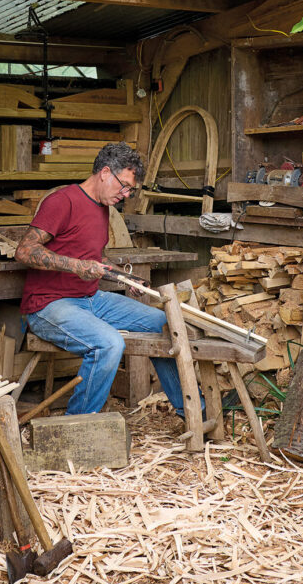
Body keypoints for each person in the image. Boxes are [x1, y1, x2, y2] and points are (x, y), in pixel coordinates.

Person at [15, 141, 188, 416]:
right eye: (125, 186)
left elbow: (94, 258)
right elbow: (24, 251)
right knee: (108, 344)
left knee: (165, 324)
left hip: (91, 299)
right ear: (105, 172)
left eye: (130, 189)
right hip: (48, 305)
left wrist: (125, 279)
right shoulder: (63, 201)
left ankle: (190, 409)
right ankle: (79, 426)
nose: (126, 194)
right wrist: (76, 266)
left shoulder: (103, 207)